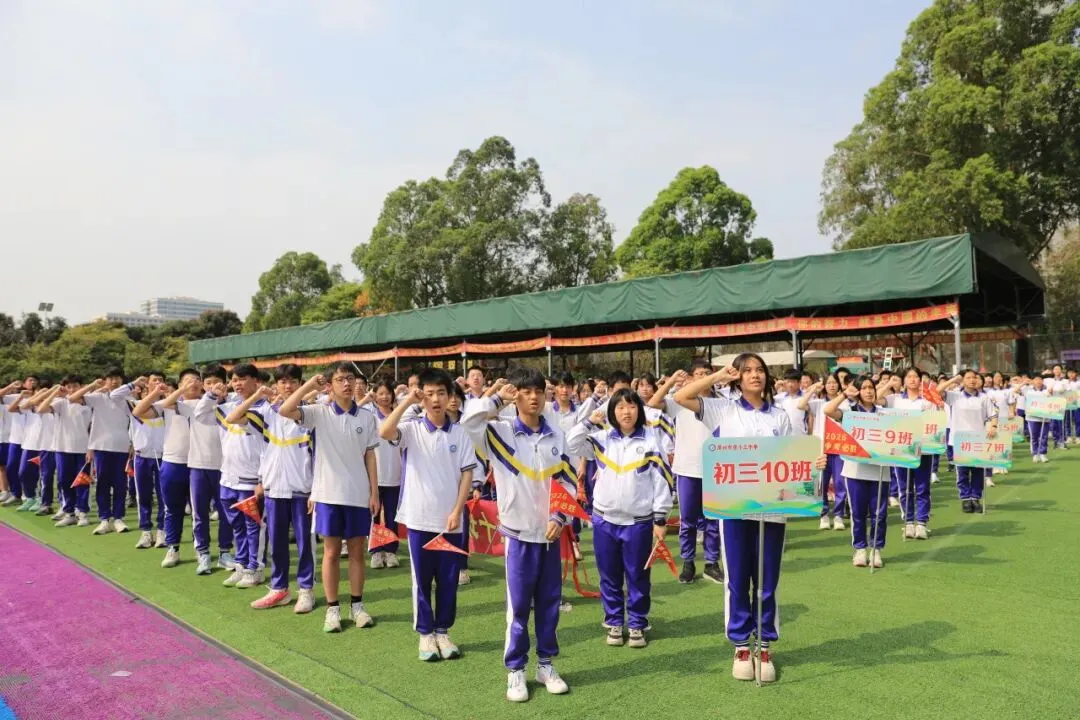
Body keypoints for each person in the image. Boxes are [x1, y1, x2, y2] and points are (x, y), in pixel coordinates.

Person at [674, 355, 822, 684]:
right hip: (733, 508)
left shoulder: (780, 416)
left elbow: (791, 462)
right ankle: (742, 646)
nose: (754, 375)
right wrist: (716, 376)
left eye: (760, 370)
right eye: (747, 370)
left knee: (768, 581)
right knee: (738, 579)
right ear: (737, 377)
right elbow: (680, 397)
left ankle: (764, 645)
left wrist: (813, 463)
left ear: (767, 377)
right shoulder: (723, 409)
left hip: (773, 509)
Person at [462, 367, 574, 703]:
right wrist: (496, 397)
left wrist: (560, 515)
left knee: (550, 603)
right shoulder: (500, 432)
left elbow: (567, 480)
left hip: (550, 534)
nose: (534, 396)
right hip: (518, 533)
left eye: (538, 390)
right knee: (519, 605)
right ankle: (515, 670)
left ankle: (545, 664)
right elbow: (468, 423)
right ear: (517, 395)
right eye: (526, 390)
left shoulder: (556, 435)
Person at [379, 368, 476, 661]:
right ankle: (425, 634)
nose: (435, 399)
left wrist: (458, 510)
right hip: (420, 518)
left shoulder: (459, 433)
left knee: (448, 579)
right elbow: (384, 432)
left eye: (441, 393)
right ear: (423, 396)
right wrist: (408, 401)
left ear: (451, 397)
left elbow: (467, 475)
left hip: (449, 521)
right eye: (430, 393)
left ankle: (442, 631)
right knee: (421, 579)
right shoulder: (411, 429)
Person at [566, 389, 672, 649]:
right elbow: (571, 443)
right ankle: (614, 621)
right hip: (604, 520)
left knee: (637, 575)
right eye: (621, 407)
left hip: (638, 522)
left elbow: (662, 483)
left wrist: (660, 520)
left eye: (632, 406)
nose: (626, 412)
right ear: (612, 411)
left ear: (639, 410)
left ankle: (637, 623)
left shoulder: (650, 441)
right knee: (609, 575)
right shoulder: (601, 439)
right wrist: (590, 420)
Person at [279, 363, 380, 634]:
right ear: (330, 385)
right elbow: (285, 409)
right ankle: (332, 609)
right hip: (327, 494)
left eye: (350, 379)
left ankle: (357, 606)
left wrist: (375, 492)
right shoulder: (319, 413)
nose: (346, 384)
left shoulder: (368, 417)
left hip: (358, 493)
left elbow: (370, 455)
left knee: (358, 553)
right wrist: (310, 386)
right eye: (340, 379)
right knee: (332, 553)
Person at [226, 364, 316, 614]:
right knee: (277, 544)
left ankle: (306, 590)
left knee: (304, 544)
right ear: (275, 384)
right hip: (274, 489)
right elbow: (232, 418)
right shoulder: (266, 413)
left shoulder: (310, 414)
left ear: (300, 384)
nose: (287, 386)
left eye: (292, 382)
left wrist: (316, 490)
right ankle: (279, 589)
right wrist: (257, 396)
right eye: (282, 382)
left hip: (303, 490)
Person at [648, 359, 723, 585]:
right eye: (698, 374)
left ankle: (712, 563)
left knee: (713, 519)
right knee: (688, 520)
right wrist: (671, 381)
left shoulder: (723, 403)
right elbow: (653, 402)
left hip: (716, 468)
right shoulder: (680, 402)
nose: (703, 377)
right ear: (690, 378)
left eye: (707, 373)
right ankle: (688, 562)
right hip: (688, 469)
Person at [197, 364, 269, 589]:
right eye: (234, 380)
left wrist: (262, 479)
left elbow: (271, 448)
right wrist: (212, 394)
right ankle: (241, 565)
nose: (237, 383)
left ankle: (255, 568)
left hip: (252, 479)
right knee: (236, 525)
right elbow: (200, 415)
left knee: (253, 526)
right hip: (228, 477)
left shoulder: (267, 408)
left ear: (255, 380)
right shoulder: (226, 407)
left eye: (242, 379)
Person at [133, 371, 201, 568]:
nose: (193, 383)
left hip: (200, 463)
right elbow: (139, 411)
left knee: (199, 511)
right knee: (173, 509)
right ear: (179, 384)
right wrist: (162, 392)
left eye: (196, 380)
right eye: (187, 380)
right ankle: (173, 548)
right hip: (172, 462)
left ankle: (201, 548)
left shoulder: (209, 403)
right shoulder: (169, 406)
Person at [824, 375, 890, 568]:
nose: (869, 391)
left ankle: (876, 550)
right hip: (855, 471)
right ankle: (860, 550)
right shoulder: (850, 412)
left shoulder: (884, 413)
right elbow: (828, 410)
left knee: (879, 514)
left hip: (880, 471)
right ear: (858, 392)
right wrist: (845, 394)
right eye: (865, 388)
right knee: (857, 513)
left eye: (872, 388)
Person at [175, 365, 234, 575]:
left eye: (217, 383)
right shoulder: (193, 405)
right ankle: (203, 553)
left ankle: (225, 552)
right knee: (200, 513)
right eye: (208, 383)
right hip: (198, 466)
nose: (212, 387)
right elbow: (168, 402)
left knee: (226, 512)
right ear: (202, 385)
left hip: (225, 467)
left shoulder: (233, 405)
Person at [114, 374, 168, 549]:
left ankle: (162, 530)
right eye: (154, 381)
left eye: (161, 380)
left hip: (163, 456)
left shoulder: (167, 404)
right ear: (146, 386)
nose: (158, 383)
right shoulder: (134, 405)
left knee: (163, 496)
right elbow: (114, 395)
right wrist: (133, 384)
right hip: (142, 456)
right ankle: (146, 532)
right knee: (143, 496)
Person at [884, 368, 937, 539]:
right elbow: (876, 399)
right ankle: (908, 522)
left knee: (922, 487)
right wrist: (888, 384)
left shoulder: (927, 401)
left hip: (923, 449)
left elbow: (936, 422)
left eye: (916, 377)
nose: (913, 380)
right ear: (904, 380)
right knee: (905, 487)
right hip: (901, 450)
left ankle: (921, 523)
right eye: (909, 377)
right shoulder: (895, 400)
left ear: (921, 380)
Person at [81, 370, 134, 534]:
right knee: (102, 483)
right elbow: (73, 398)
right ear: (105, 381)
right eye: (111, 378)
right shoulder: (97, 398)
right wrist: (93, 386)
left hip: (122, 446)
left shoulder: (128, 400)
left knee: (120, 484)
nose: (114, 381)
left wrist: (132, 443)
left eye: (117, 378)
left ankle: (118, 518)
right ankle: (104, 519)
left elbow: (135, 422)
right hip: (102, 446)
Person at [937, 371, 999, 513]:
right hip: (959, 440)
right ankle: (965, 498)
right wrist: (954, 379)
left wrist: (993, 426)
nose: (972, 380)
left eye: (974, 377)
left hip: (978, 440)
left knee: (977, 471)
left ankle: (975, 498)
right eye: (968, 378)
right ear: (963, 381)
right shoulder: (954, 396)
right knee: (963, 471)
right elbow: (937, 390)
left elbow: (993, 415)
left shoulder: (984, 398)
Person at [35, 377, 92, 527]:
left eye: (75, 386)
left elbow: (93, 428)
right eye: (69, 387)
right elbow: (41, 409)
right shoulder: (61, 403)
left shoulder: (88, 404)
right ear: (65, 388)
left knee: (82, 481)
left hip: (82, 449)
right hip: (62, 448)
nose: (72, 390)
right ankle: (69, 513)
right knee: (64, 481)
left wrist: (91, 448)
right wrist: (54, 392)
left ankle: (83, 512)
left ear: (81, 387)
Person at [368, 378, 404, 571]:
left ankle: (391, 551)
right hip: (375, 475)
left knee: (391, 515)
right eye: (380, 393)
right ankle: (376, 552)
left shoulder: (399, 416)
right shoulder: (370, 417)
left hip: (394, 474)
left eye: (387, 393)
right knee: (374, 515)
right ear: (375, 396)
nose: (384, 397)